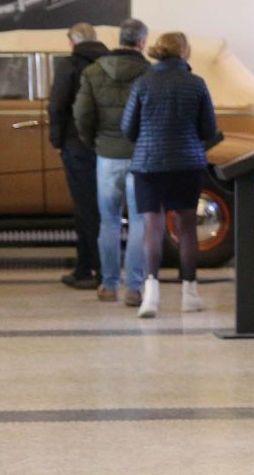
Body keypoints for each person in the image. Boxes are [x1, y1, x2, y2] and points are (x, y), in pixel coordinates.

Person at [121, 32, 220, 318]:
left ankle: (150, 297)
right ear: (184, 52)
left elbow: (128, 130)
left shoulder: (143, 83)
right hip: (187, 164)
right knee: (187, 229)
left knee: (152, 228)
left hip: (148, 166)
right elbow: (208, 130)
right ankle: (189, 294)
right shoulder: (196, 84)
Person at [74, 18, 150, 305]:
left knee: (109, 222)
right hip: (141, 155)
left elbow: (82, 114)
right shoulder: (149, 73)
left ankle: (107, 285)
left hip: (106, 155)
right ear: (141, 41)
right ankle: (134, 288)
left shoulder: (94, 71)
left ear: (120, 38)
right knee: (140, 222)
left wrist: (93, 142)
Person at [49, 22, 109, 289]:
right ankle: (93, 266)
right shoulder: (109, 63)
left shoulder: (69, 65)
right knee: (102, 208)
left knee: (85, 209)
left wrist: (57, 140)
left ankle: (95, 270)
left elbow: (57, 104)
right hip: (107, 144)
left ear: (72, 43)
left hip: (77, 144)